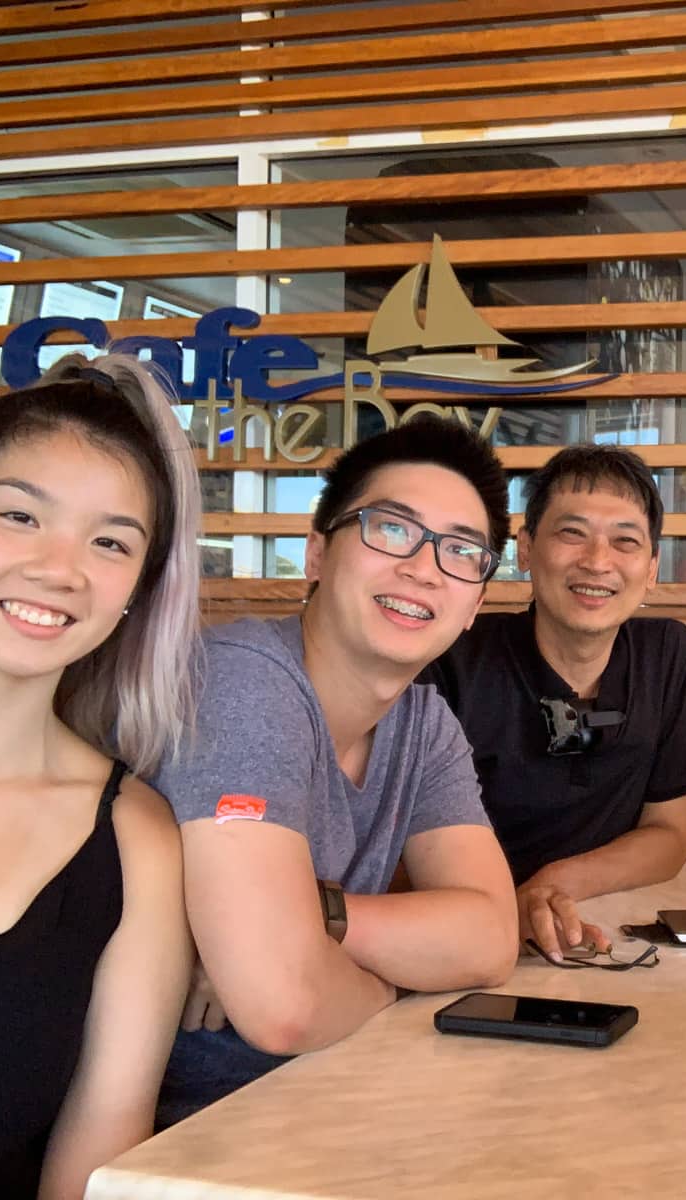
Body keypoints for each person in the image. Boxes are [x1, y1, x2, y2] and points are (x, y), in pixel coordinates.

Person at [154, 416, 518, 1126]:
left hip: (318, 1099)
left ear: (476, 602)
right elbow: (286, 1006)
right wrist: (392, 985)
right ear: (316, 553)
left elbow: (490, 936)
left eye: (461, 552)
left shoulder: (425, 725)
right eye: (391, 529)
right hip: (176, 1133)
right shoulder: (244, 683)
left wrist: (315, 919)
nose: (423, 567)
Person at [0, 354, 200, 1198]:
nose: (60, 568)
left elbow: (94, 1161)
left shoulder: (135, 840)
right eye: (20, 516)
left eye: (110, 541)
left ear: (134, 593)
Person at [422, 445, 686, 958]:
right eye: (571, 533)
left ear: (651, 569)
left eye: (625, 541)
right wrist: (502, 908)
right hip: (459, 927)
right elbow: (413, 841)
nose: (597, 561)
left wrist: (553, 884)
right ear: (525, 550)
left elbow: (670, 834)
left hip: (605, 921)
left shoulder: (667, 654)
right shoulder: (454, 659)